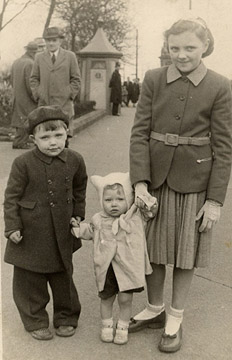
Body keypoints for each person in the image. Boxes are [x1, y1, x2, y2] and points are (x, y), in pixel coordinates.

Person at [129, 17, 232, 353]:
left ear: (205, 46)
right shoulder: (153, 79)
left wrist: (215, 201)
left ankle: (175, 317)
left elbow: (224, 147)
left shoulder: (220, 85)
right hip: (155, 179)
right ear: (166, 47)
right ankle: (155, 308)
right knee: (154, 251)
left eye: (190, 47)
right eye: (175, 48)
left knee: (185, 254)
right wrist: (140, 183)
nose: (182, 54)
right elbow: (139, 133)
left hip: (195, 183)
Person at [3, 105, 88, 340]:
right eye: (45, 137)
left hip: (61, 229)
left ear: (67, 133)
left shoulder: (75, 160)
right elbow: (11, 197)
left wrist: (78, 214)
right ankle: (35, 320)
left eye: (58, 135)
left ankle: (66, 316)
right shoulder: (23, 163)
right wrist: (12, 227)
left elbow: (80, 188)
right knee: (30, 280)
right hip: (30, 232)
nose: (53, 142)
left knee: (63, 275)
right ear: (33, 139)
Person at [71, 172, 158, 345]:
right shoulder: (98, 219)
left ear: (128, 198)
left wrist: (143, 198)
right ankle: (107, 325)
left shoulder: (136, 217)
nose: (114, 204)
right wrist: (76, 228)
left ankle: (123, 326)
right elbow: (88, 231)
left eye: (119, 199)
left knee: (125, 298)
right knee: (106, 297)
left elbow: (151, 210)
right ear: (101, 201)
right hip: (107, 266)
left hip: (128, 267)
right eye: (108, 200)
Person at [30, 27, 81, 137]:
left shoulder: (70, 56)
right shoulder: (39, 57)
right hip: (45, 105)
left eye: (54, 40)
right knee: (46, 139)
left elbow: (76, 79)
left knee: (63, 140)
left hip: (64, 106)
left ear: (60, 41)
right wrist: (39, 94)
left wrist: (69, 94)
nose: (51, 43)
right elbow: (34, 78)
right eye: (48, 41)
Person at [11, 41, 38, 149]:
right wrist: (35, 97)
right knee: (27, 118)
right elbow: (30, 83)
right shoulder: (30, 63)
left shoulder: (16, 62)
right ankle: (20, 142)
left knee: (19, 118)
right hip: (27, 97)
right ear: (33, 52)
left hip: (17, 96)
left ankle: (18, 140)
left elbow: (11, 79)